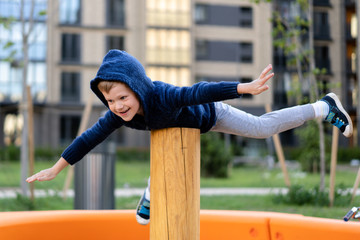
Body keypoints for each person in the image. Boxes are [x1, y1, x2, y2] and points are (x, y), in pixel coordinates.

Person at [26, 50, 353, 225]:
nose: (118, 107)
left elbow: (198, 91)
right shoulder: (116, 115)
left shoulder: (163, 96)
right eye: (111, 101)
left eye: (123, 98)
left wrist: (241, 88)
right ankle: (151, 194)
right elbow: (89, 138)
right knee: (164, 141)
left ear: (137, 88)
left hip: (211, 114)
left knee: (261, 128)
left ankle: (322, 107)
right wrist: (57, 168)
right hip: (172, 132)